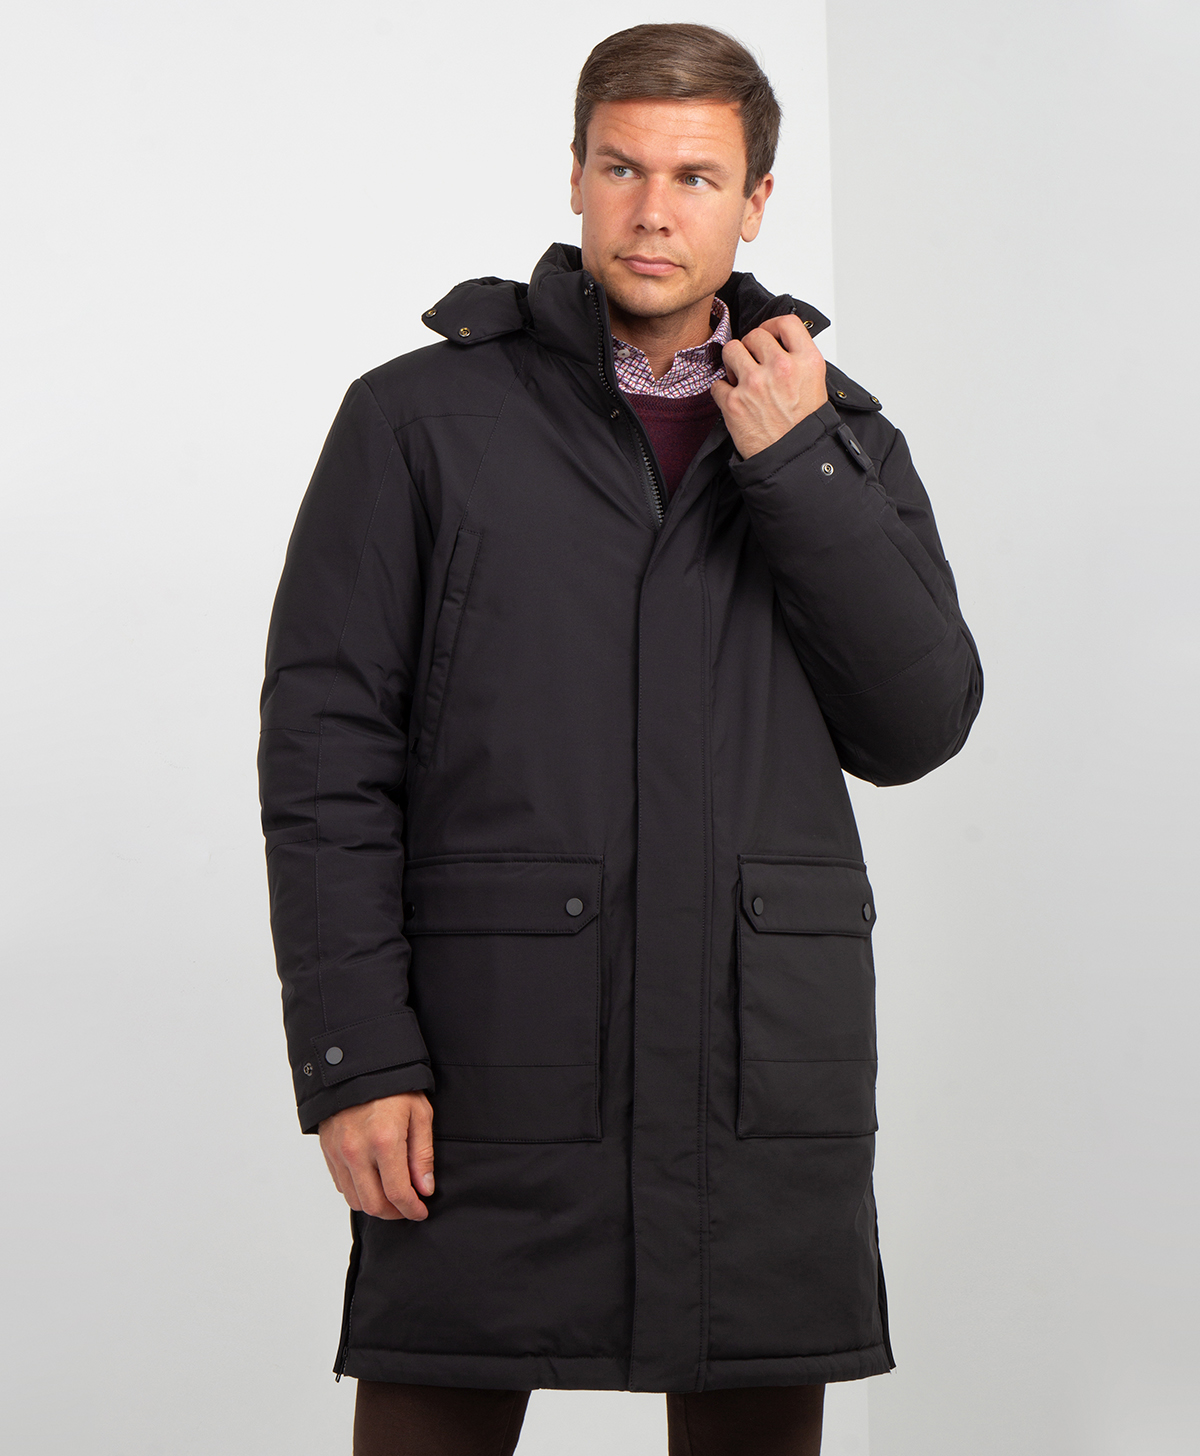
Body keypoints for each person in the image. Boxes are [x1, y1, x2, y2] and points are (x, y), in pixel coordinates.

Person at [258, 22, 982, 1456]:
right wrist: (356, 1058)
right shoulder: (419, 421)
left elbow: (917, 725)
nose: (654, 210)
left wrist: (797, 464)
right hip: (492, 1059)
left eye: (696, 177)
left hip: (755, 1068)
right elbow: (327, 757)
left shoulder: (839, 438)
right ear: (577, 177)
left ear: (755, 202)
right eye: (622, 168)